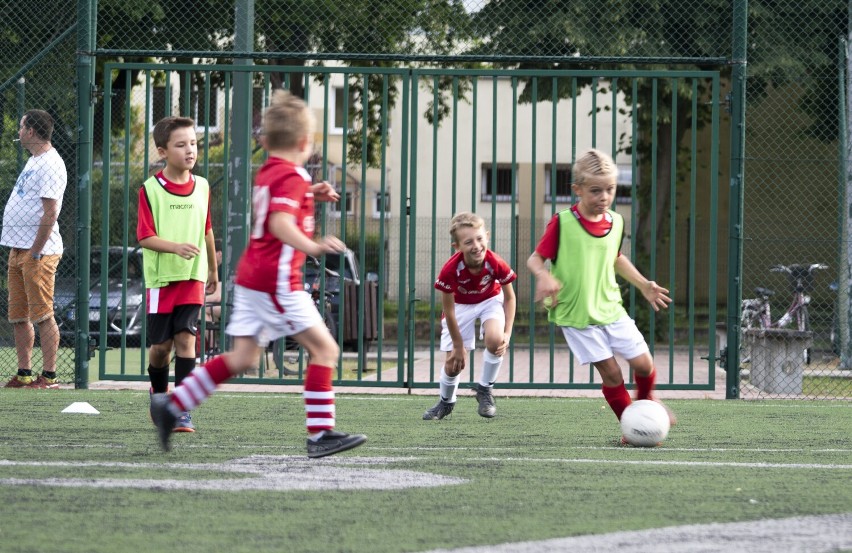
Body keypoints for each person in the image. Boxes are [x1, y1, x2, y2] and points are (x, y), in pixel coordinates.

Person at [150, 90, 367, 458]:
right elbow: (281, 222)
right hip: (277, 282)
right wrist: (313, 246)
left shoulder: (272, 171)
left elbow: (279, 202)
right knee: (325, 349)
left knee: (243, 358)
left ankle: (172, 406)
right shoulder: (293, 177)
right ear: (305, 142)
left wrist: (310, 191)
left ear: (265, 142)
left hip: (254, 278)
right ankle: (320, 434)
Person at [526, 148, 675, 444]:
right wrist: (544, 276)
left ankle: (645, 407)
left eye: (610, 189)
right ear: (577, 190)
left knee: (645, 365)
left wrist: (644, 284)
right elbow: (534, 259)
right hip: (576, 314)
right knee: (612, 374)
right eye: (595, 190)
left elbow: (615, 257)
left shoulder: (616, 222)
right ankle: (634, 426)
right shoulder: (563, 222)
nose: (604, 197)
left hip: (610, 308)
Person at [138, 116, 218, 432]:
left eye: (193, 144)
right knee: (161, 348)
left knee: (187, 339)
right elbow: (145, 237)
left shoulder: (203, 186)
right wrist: (175, 248)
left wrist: (212, 268)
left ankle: (181, 410)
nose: (190, 151)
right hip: (161, 280)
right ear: (162, 151)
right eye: (180, 145)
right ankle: (159, 394)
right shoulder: (150, 189)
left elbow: (207, 230)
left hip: (193, 277)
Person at [423, 211, 517, 420]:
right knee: (454, 364)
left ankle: (484, 389)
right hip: (460, 306)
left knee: (496, 340)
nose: (476, 245)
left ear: (487, 237)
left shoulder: (496, 263)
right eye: (468, 242)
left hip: (489, 300)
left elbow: (510, 298)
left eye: (480, 239)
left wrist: (508, 333)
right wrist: (458, 346)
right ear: (457, 247)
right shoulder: (450, 270)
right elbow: (449, 310)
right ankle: (446, 402)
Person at [2, 109, 67, 389]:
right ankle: (25, 373)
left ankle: (50, 376)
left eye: (20, 127)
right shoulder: (34, 161)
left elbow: (50, 213)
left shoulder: (51, 163)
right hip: (19, 250)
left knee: (43, 314)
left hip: (38, 251)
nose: (18, 132)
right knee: (19, 316)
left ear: (30, 131)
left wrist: (37, 251)